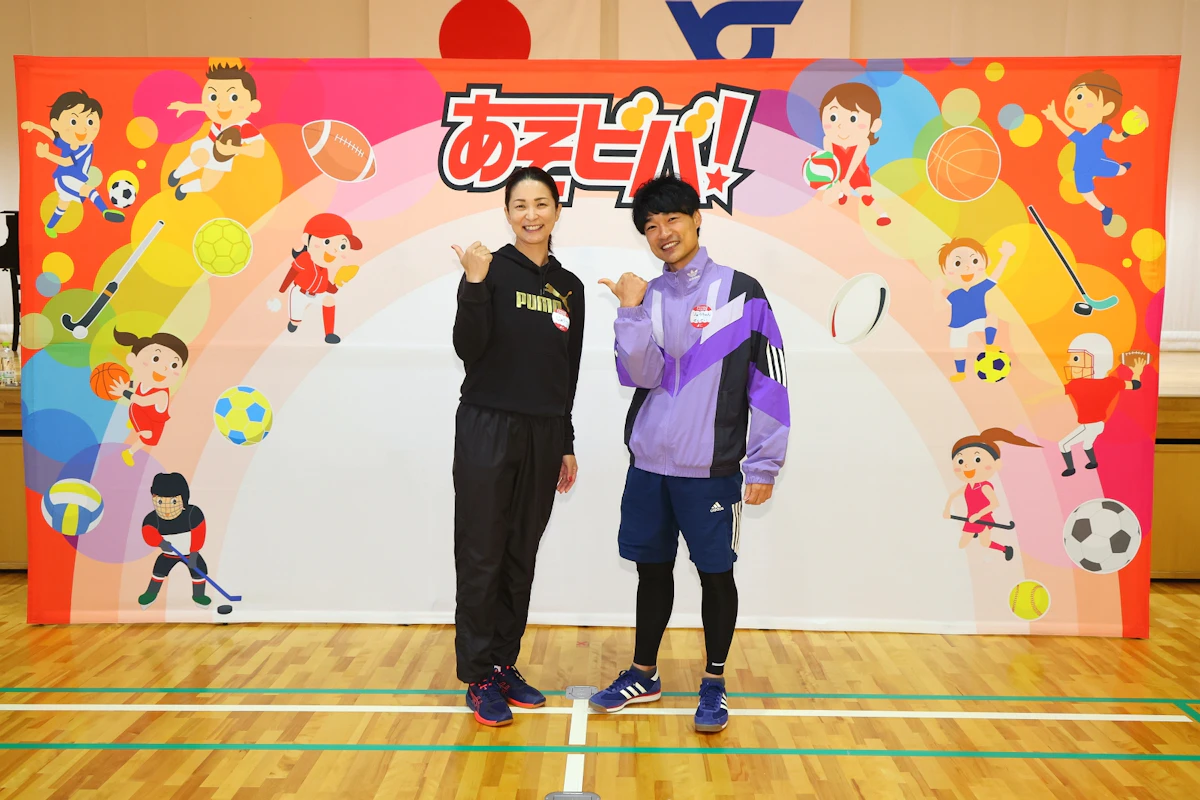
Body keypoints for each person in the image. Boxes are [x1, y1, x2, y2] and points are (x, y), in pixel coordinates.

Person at [591, 174, 790, 733]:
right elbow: (639, 374)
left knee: (715, 576)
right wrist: (630, 310)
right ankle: (644, 674)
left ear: (697, 219)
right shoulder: (646, 296)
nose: (663, 233)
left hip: (712, 470)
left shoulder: (743, 292)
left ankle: (714, 683)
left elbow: (769, 383)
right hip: (649, 467)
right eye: (651, 226)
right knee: (651, 572)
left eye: (673, 219)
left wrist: (764, 463)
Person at [450, 166, 585, 727]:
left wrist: (566, 441)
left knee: (519, 553)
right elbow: (468, 347)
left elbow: (566, 371)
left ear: (557, 211)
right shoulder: (488, 269)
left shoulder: (570, 286)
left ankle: (504, 664)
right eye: (520, 205)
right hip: (487, 425)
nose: (532, 215)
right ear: (507, 213)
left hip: (545, 433)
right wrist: (474, 284)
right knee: (481, 552)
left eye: (541, 204)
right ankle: (478, 675)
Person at [21, 90, 126, 238]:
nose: (83, 129)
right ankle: (105, 211)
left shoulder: (85, 146)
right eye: (73, 122)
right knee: (89, 191)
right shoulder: (77, 145)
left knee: (62, 205)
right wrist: (36, 127)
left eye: (90, 122)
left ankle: (49, 226)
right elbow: (58, 145)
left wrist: (46, 153)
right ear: (56, 124)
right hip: (66, 178)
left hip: (71, 179)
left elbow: (57, 142)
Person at [942, 427, 1040, 560]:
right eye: (960, 461)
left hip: (983, 518)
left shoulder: (984, 487)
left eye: (977, 459)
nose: (966, 466)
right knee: (962, 544)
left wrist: (978, 515)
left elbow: (994, 504)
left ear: (996, 464)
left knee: (985, 543)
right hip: (971, 517)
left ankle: (1005, 549)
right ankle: (975, 532)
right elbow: (953, 495)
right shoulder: (968, 487)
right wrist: (947, 510)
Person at [935, 238, 1015, 382]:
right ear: (945, 271)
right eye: (957, 263)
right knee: (958, 349)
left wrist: (1006, 256)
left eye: (974, 261)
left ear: (985, 263)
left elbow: (995, 276)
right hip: (958, 326)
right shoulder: (955, 295)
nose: (967, 268)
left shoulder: (979, 288)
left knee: (992, 317)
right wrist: (935, 291)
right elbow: (939, 307)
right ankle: (960, 372)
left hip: (979, 320)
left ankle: (989, 344)